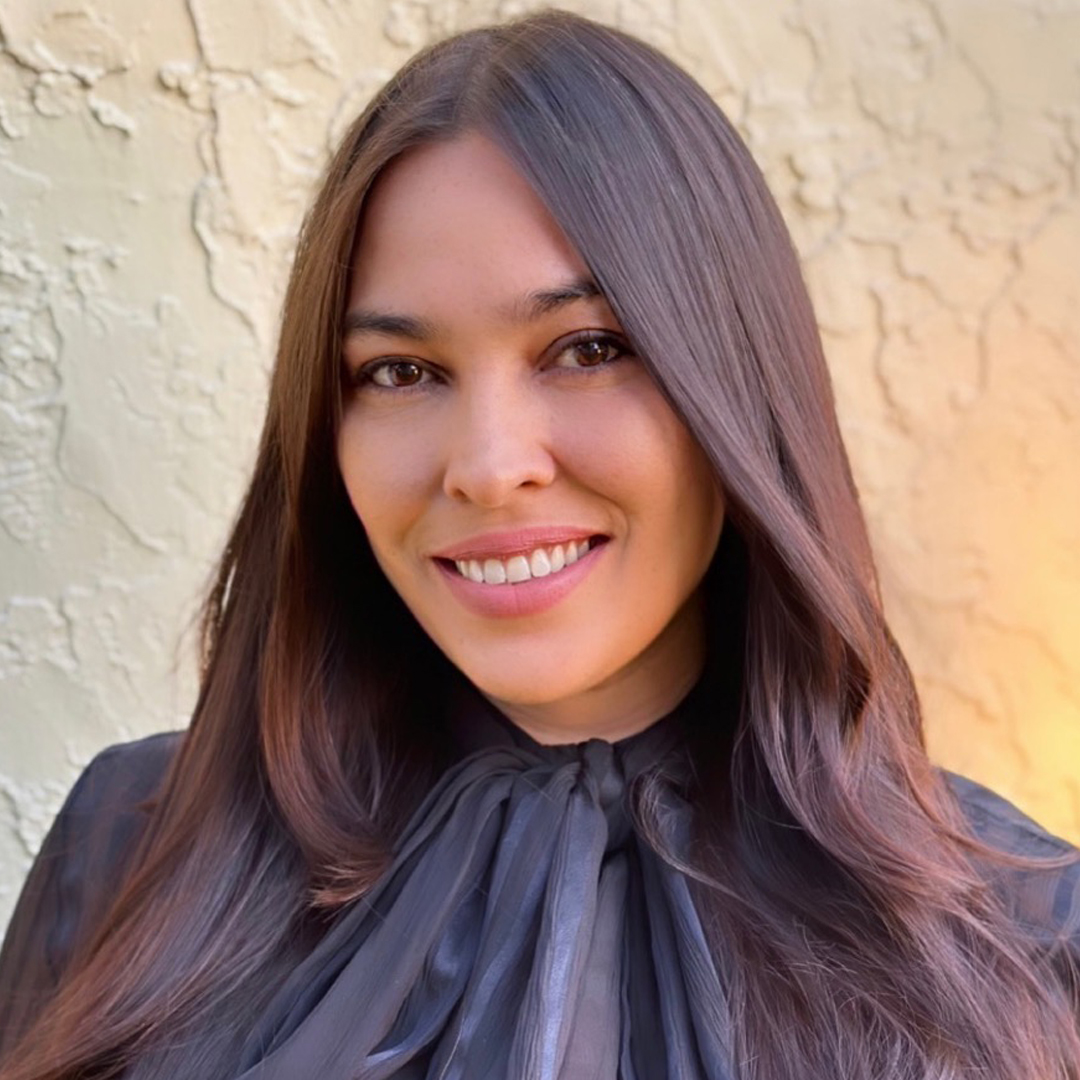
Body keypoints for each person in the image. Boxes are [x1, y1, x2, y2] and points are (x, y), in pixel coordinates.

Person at [0, 9, 1077, 1079]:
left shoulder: (1026, 947)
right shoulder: (132, 851)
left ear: (735, 383)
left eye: (588, 349)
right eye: (400, 372)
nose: (488, 464)